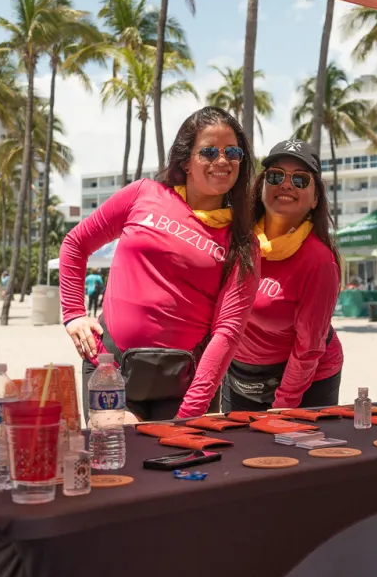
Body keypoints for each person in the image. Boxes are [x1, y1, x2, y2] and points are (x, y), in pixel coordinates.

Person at [59, 106, 259, 420]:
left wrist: (188, 415)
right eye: (209, 152)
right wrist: (73, 314)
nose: (222, 161)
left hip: (184, 385)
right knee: (117, 460)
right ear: (185, 161)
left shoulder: (243, 241)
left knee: (174, 465)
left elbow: (227, 332)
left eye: (232, 152)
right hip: (108, 365)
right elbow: (75, 244)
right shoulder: (143, 194)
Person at [224, 139, 343, 411]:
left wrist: (283, 406)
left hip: (307, 377)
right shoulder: (237, 241)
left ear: (315, 198)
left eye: (300, 179)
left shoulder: (319, 260)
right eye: (276, 176)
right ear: (262, 186)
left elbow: (308, 347)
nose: (286, 185)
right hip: (239, 376)